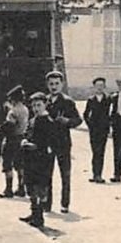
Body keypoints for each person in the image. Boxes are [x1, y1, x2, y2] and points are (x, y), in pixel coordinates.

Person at [43, 70, 82, 214]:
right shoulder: (44, 101)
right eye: (51, 84)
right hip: (47, 143)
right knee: (47, 174)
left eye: (57, 84)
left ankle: (65, 204)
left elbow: (78, 120)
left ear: (62, 84)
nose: (54, 87)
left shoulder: (67, 101)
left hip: (63, 142)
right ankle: (47, 203)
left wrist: (67, 121)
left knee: (65, 174)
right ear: (47, 85)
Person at [19, 92, 56, 229]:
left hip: (42, 160)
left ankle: (39, 217)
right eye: (33, 105)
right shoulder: (32, 120)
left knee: (40, 187)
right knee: (30, 185)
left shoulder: (48, 121)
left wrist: (36, 146)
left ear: (45, 105)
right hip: (30, 158)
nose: (36, 108)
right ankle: (33, 212)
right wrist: (24, 140)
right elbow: (27, 133)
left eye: (39, 105)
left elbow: (51, 142)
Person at [0, 85, 29, 199]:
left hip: (11, 140)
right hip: (21, 139)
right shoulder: (25, 109)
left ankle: (8, 189)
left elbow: (9, 126)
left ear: (13, 99)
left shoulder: (13, 112)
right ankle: (21, 188)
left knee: (7, 164)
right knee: (19, 164)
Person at [83, 77, 114, 184]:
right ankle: (94, 173)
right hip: (93, 129)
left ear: (104, 87)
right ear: (94, 87)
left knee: (101, 151)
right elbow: (86, 114)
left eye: (101, 86)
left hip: (103, 129)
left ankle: (99, 174)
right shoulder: (91, 100)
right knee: (95, 151)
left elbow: (112, 112)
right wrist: (89, 124)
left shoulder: (108, 99)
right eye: (97, 86)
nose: (99, 88)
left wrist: (109, 123)